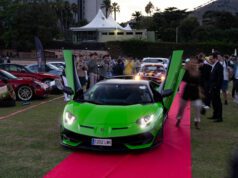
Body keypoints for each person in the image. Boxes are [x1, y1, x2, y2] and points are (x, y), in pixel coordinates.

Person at [176, 57, 202, 129]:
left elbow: (199, 83)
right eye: (192, 63)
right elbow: (182, 80)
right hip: (187, 89)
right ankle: (179, 119)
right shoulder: (187, 71)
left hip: (195, 90)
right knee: (182, 106)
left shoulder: (198, 72)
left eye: (195, 63)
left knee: (198, 105)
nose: (193, 64)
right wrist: (184, 69)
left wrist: (200, 92)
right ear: (190, 64)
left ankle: (197, 121)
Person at [208, 52, 224, 122]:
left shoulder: (219, 66)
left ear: (215, 58)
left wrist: (216, 87)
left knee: (217, 102)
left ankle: (219, 117)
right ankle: (215, 115)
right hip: (212, 86)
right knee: (214, 102)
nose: (210, 59)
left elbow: (220, 78)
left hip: (215, 87)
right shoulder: (214, 65)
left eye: (211, 58)